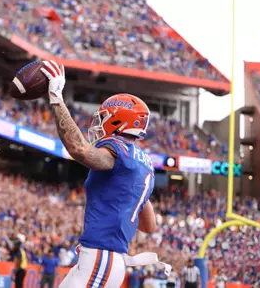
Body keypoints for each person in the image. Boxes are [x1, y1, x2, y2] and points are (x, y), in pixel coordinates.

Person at [39, 60, 171, 288]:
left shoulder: (118, 148)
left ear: (118, 121)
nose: (98, 124)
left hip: (102, 257)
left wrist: (56, 98)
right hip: (107, 258)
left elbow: (79, 150)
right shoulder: (143, 164)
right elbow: (149, 226)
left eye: (103, 118)